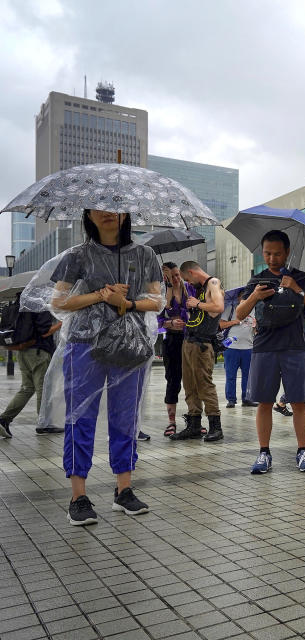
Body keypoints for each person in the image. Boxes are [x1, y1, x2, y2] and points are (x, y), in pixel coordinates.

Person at [50, 208, 163, 525]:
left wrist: (126, 303)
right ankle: (78, 495)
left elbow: (158, 301)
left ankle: (123, 490)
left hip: (131, 343)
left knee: (126, 418)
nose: (108, 212)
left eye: (115, 207)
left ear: (126, 214)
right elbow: (58, 302)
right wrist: (100, 295)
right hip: (84, 344)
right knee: (79, 418)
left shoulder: (145, 254)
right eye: (99, 207)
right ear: (88, 214)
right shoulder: (76, 255)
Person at [236, 230, 305, 474]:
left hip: (296, 347)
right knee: (264, 402)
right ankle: (264, 452)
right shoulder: (258, 280)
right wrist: (255, 295)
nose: (272, 258)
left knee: (298, 402)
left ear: (286, 253)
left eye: (277, 253)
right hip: (265, 348)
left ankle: (302, 451)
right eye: (267, 253)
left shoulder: (302, 278)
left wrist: (297, 289)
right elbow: (240, 314)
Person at [170, 261, 224, 442]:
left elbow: (218, 307)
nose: (188, 283)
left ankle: (215, 426)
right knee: (190, 385)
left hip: (202, 344)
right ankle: (194, 424)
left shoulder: (213, 283)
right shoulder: (200, 288)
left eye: (187, 279)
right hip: (189, 341)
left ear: (192, 273)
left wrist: (198, 304)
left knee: (204, 385)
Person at [0, 294, 62, 437]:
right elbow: (45, 332)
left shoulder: (19, 305)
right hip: (39, 352)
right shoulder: (39, 305)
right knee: (43, 388)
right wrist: (60, 324)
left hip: (22, 351)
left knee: (27, 388)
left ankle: (4, 419)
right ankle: (44, 424)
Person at [158, 262, 191, 438]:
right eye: (172, 277)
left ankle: (194, 419)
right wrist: (170, 322)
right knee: (173, 380)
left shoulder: (189, 289)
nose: (177, 279)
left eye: (177, 274)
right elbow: (156, 319)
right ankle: (171, 422)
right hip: (171, 339)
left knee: (192, 380)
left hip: (189, 338)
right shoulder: (162, 293)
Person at [220, 294, 256, 408]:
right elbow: (221, 324)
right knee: (231, 375)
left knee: (248, 376)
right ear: (238, 298)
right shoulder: (230, 308)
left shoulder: (254, 310)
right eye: (243, 297)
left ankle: (247, 399)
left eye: (247, 297)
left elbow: (256, 328)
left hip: (248, 347)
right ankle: (231, 399)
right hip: (231, 347)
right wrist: (234, 322)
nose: (245, 299)